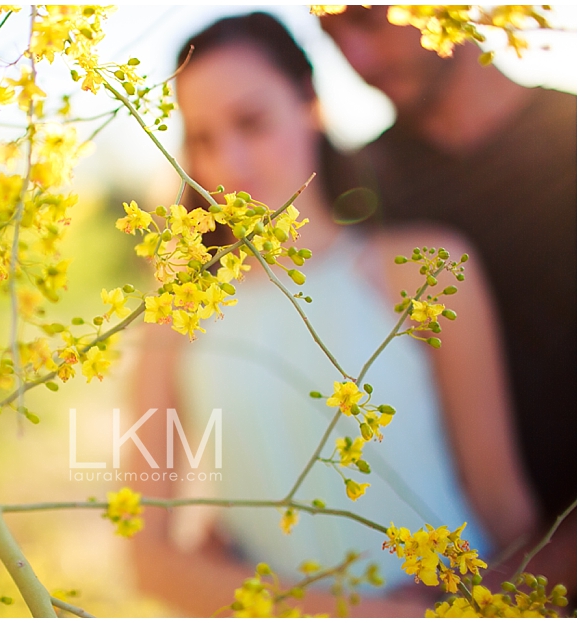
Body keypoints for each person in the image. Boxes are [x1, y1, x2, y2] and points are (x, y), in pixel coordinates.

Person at [128, 13, 540, 616]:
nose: (230, 165)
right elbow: (148, 562)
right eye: (204, 139)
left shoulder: (424, 269)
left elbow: (504, 510)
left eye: (252, 121)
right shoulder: (174, 315)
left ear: (310, 104)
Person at [319, 5, 576, 594]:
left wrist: (544, 571)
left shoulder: (573, 139)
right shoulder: (355, 185)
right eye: (332, 37)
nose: (356, 59)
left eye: (366, 21)